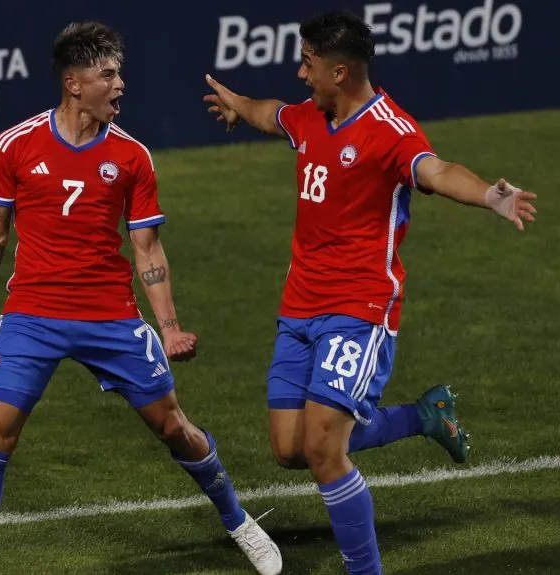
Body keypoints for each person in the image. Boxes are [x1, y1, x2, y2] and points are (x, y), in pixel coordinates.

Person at [203, 10, 537, 574]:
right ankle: (422, 416)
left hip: (359, 309)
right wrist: (239, 104)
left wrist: (489, 195)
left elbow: (436, 170)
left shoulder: (390, 130)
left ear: (339, 72)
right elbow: (272, 115)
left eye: (308, 63)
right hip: (298, 308)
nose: (300, 73)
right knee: (290, 448)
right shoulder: (312, 116)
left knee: (323, 449)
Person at [0, 21, 282, 575]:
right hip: (32, 314)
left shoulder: (131, 157)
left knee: (173, 427)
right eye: (107, 74)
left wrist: (169, 327)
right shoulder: (13, 146)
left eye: (119, 73)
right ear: (74, 83)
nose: (120, 84)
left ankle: (238, 520)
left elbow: (147, 248)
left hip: (110, 317)